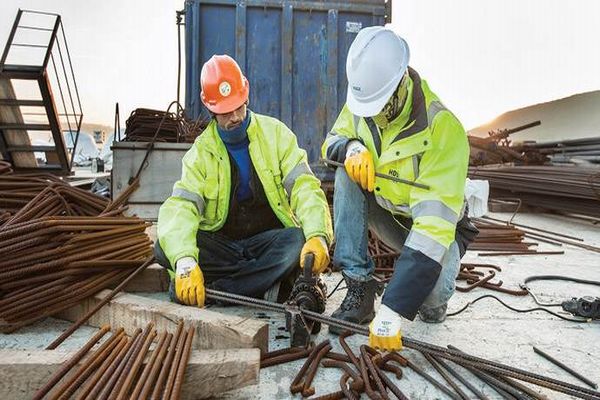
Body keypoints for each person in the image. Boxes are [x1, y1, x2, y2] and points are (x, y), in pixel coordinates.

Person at [322, 27, 477, 350]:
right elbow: (331, 143)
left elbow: (432, 229)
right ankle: (360, 288)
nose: (373, 117)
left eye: (379, 106)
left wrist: (393, 309)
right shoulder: (364, 103)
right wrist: (351, 147)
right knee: (344, 174)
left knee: (428, 306)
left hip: (434, 231)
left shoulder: (443, 130)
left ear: (402, 80)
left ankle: (438, 285)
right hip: (389, 212)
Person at [156, 55, 333, 307]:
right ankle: (262, 286)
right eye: (226, 112)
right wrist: (185, 262)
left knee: (296, 241)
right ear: (211, 110)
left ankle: (219, 291)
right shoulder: (200, 153)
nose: (235, 117)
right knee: (164, 249)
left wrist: (318, 235)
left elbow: (304, 185)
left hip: (267, 242)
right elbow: (181, 208)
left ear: (246, 95)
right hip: (224, 247)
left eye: (238, 106)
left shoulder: (276, 134)